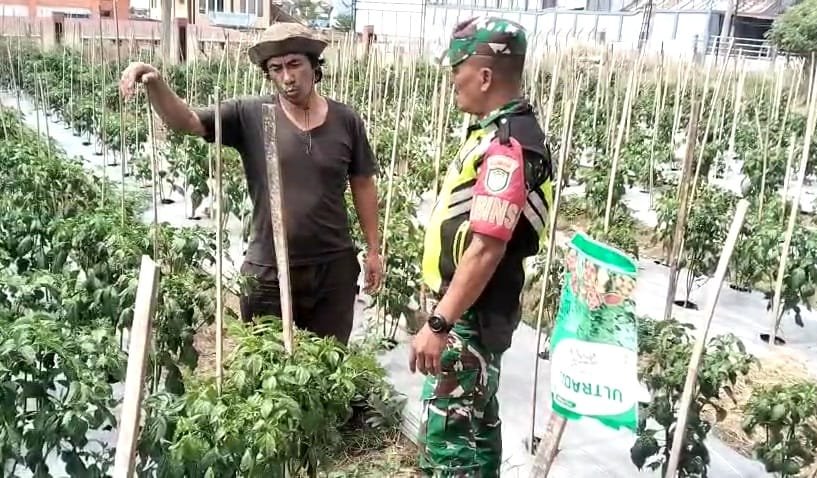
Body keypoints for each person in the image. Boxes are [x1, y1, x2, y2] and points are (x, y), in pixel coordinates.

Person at [118, 23, 383, 346]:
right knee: (265, 361)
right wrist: (156, 82)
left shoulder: (345, 120)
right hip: (269, 269)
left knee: (329, 362)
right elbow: (187, 121)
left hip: (333, 270)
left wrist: (373, 249)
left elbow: (363, 183)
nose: (287, 77)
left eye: (295, 64)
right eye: (276, 69)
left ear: (314, 66)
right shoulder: (250, 114)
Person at [409, 17, 554, 477]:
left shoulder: (508, 146)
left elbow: (486, 248)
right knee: (477, 434)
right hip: (473, 313)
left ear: (485, 76)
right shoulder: (498, 134)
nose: (454, 82)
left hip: (468, 319)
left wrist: (440, 322)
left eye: (458, 71)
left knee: (451, 448)